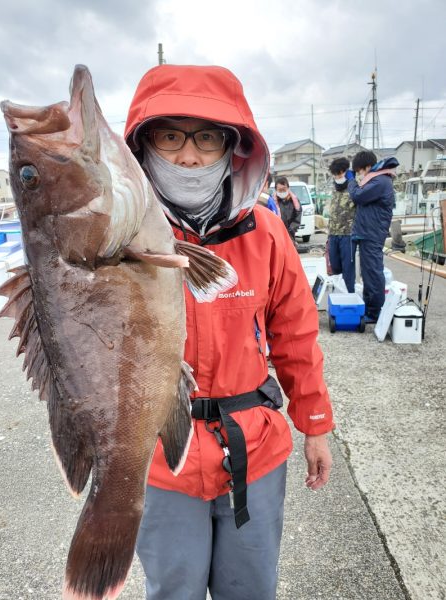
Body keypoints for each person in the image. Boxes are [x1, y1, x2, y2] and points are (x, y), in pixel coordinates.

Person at [124, 64, 334, 600]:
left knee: (252, 587)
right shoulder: (118, 238)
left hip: (255, 447)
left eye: (208, 138)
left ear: (231, 149)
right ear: (142, 146)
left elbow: (295, 332)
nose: (189, 156)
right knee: (174, 588)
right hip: (158, 452)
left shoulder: (265, 230)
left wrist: (314, 423)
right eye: (170, 136)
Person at [347, 151, 399, 322]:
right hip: (367, 232)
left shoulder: (380, 181)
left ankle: (376, 312)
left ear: (367, 167)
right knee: (368, 273)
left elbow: (357, 196)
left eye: (360, 170)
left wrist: (352, 182)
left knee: (373, 272)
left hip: (372, 233)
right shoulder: (378, 179)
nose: (360, 174)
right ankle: (370, 308)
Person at [327, 157, 357, 293]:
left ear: (346, 171)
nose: (337, 177)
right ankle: (338, 294)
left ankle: (350, 297)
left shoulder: (354, 187)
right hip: (333, 234)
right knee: (334, 267)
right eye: (335, 174)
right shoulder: (334, 188)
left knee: (348, 269)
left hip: (348, 235)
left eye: (339, 173)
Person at [273, 176, 302, 244]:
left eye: (284, 189)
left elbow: (298, 216)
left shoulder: (295, 201)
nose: (282, 191)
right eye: (280, 190)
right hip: (276, 235)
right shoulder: (272, 202)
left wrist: (291, 230)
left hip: (291, 235)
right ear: (276, 190)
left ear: (288, 188)